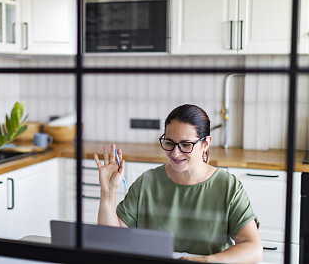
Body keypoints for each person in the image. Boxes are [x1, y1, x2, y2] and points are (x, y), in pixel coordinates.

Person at [93, 104, 263, 263]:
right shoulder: (147, 182)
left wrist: (206, 261)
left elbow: (254, 249)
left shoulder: (228, 187)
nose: (175, 153)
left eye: (185, 144)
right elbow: (111, 240)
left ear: (205, 143)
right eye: (169, 142)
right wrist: (108, 193)